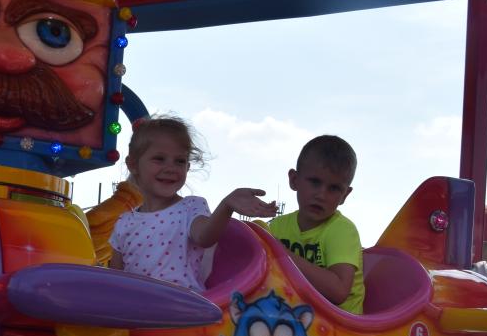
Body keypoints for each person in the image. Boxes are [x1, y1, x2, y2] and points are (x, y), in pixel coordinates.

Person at [109, 116, 277, 291]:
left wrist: (226, 205)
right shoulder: (124, 222)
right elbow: (115, 278)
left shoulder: (191, 207)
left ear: (187, 167)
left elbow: (205, 237)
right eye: (159, 158)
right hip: (137, 304)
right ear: (133, 165)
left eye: (179, 161)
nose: (171, 168)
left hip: (181, 304)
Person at [259, 135, 364, 314]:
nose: (321, 195)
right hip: (295, 316)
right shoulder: (277, 226)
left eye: (334, 188)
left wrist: (280, 252)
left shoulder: (342, 230)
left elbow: (338, 291)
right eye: (315, 182)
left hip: (339, 323)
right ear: (294, 180)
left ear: (345, 195)